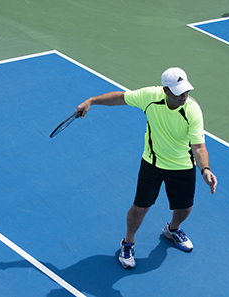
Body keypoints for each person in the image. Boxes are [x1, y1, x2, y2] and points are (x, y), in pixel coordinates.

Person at [75, 67, 218, 269]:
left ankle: (172, 229)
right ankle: (128, 242)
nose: (184, 95)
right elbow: (120, 98)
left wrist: (205, 170)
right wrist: (91, 101)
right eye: (179, 92)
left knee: (185, 207)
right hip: (152, 163)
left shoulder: (192, 110)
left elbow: (199, 146)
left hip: (182, 166)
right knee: (140, 207)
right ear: (166, 90)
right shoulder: (150, 96)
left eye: (186, 90)